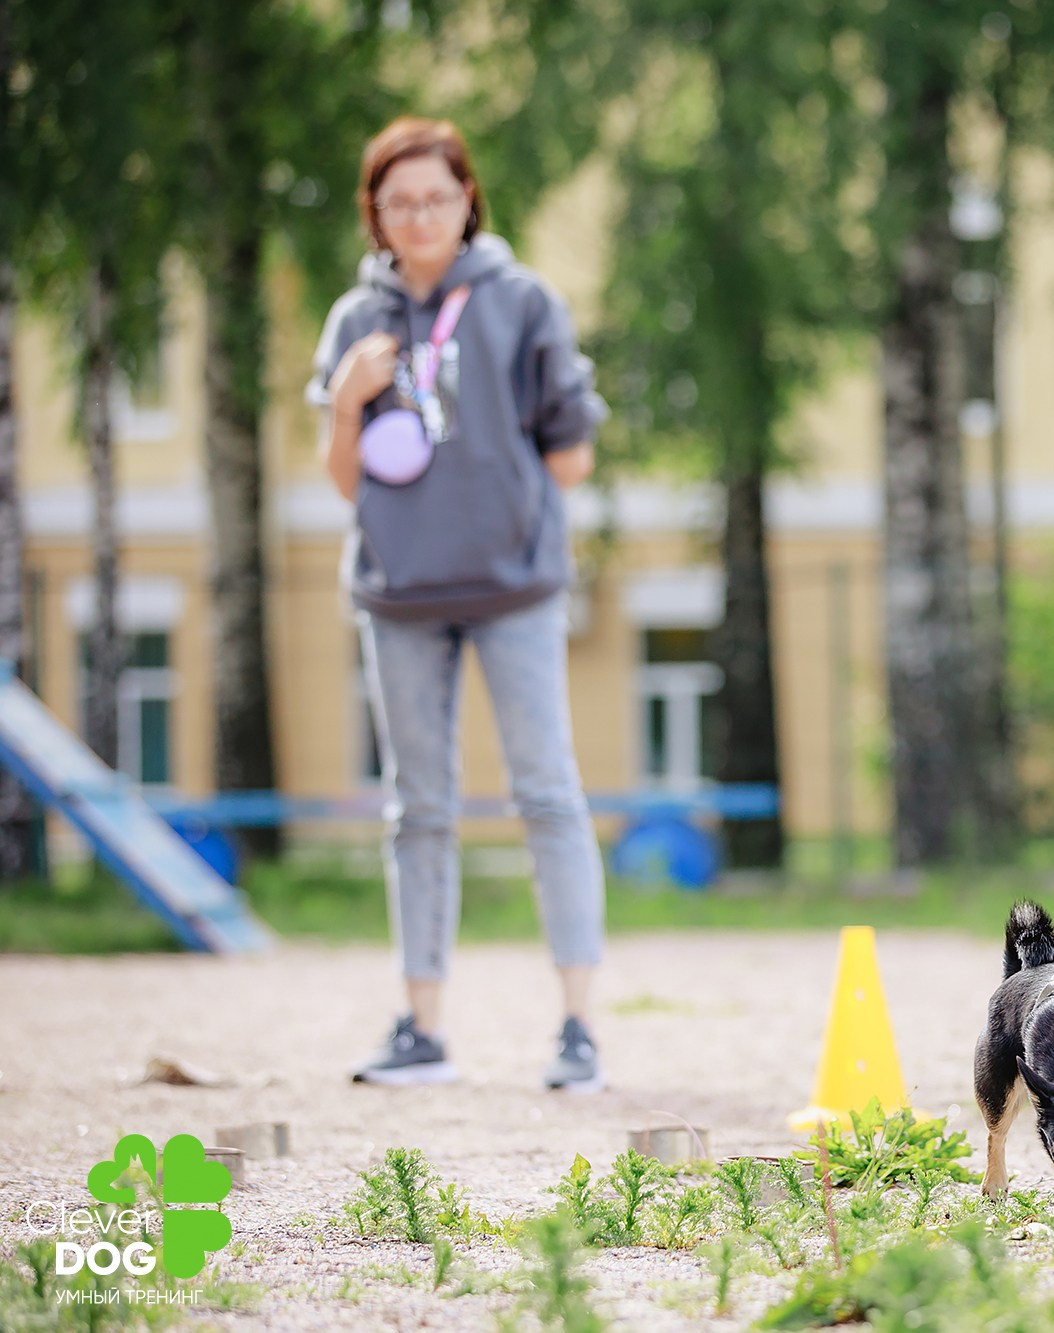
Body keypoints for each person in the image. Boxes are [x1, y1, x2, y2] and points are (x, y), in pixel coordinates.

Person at [307, 116, 608, 1091]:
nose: (419, 216)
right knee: (417, 808)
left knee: (546, 792)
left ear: (467, 199)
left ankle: (578, 1029)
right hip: (398, 592)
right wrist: (347, 399)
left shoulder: (522, 301)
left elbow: (571, 455)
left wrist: (497, 502)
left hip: (513, 585)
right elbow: (344, 480)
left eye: (436, 197)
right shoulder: (356, 319)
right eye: (398, 202)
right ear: (375, 213)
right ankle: (421, 1030)